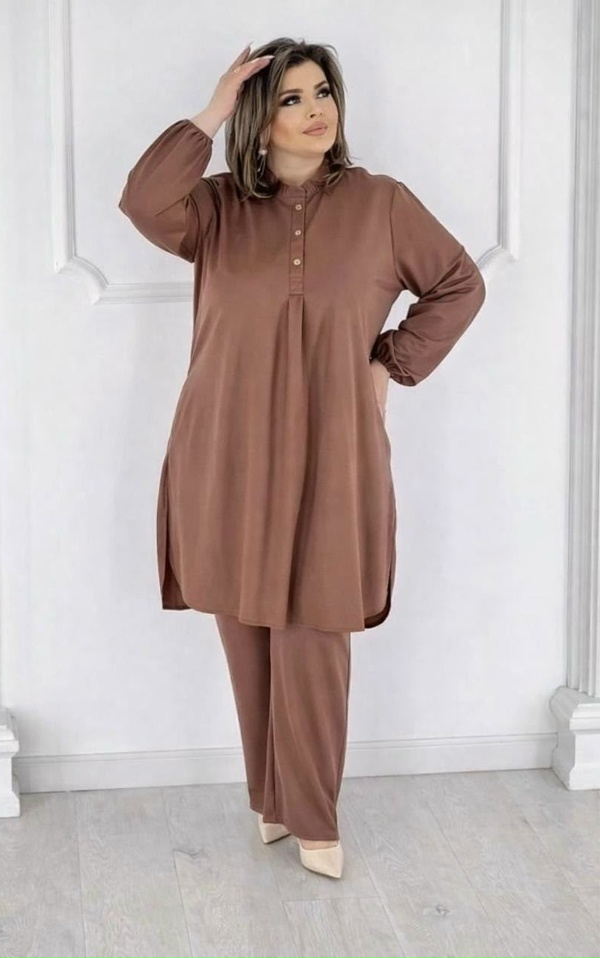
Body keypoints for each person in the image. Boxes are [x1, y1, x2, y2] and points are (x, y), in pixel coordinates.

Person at [118, 38, 486, 879]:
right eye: (291, 99)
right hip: (226, 446)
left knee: (316, 628)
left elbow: (459, 283)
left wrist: (390, 363)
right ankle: (272, 802)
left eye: (323, 92)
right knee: (245, 625)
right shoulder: (215, 210)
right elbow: (141, 200)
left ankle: (314, 816)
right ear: (259, 118)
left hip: (334, 449)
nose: (317, 110)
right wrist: (212, 109)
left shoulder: (382, 204)